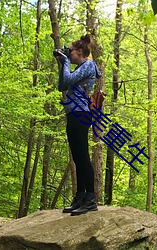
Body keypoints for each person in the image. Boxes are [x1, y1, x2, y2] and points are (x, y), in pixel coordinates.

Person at [56, 34, 102, 216]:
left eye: (71, 51)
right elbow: (62, 85)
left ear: (80, 52)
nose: (69, 54)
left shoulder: (88, 65)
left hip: (81, 113)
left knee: (82, 157)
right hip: (73, 113)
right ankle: (81, 197)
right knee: (77, 157)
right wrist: (63, 63)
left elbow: (67, 81)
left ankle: (90, 199)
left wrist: (65, 62)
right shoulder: (79, 68)